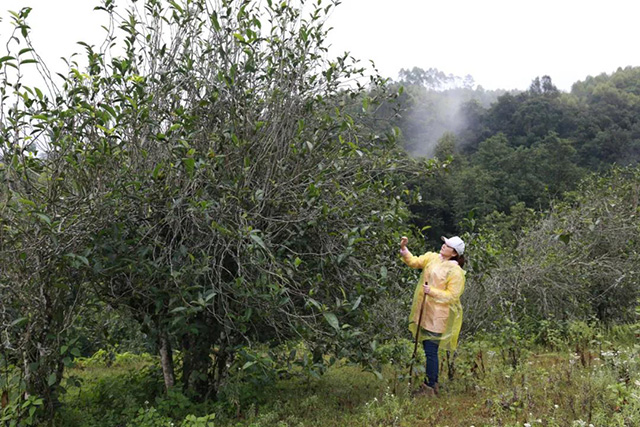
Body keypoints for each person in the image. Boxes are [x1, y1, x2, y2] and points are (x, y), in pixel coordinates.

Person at [399, 235, 466, 396]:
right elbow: (414, 262)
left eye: (448, 245)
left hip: (437, 315)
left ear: (454, 253)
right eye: (444, 243)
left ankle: (430, 386)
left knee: (431, 350)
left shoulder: (455, 271)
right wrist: (404, 249)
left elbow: (452, 295)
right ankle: (429, 383)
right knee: (426, 347)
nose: (443, 246)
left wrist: (432, 292)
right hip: (424, 309)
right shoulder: (433, 257)